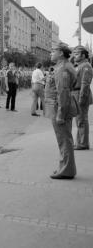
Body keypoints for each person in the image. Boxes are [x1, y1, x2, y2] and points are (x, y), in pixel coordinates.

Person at [45, 42, 78, 179]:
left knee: (64, 140)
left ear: (61, 53)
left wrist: (60, 114)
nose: (51, 53)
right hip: (59, 106)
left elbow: (63, 92)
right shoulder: (62, 66)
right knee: (64, 139)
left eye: (53, 51)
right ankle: (65, 167)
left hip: (59, 107)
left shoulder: (62, 69)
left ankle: (67, 170)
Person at [72, 45, 93, 150]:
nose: (74, 56)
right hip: (76, 93)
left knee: (81, 120)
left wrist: (82, 98)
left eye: (76, 54)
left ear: (83, 55)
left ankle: (83, 143)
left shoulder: (86, 66)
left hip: (80, 93)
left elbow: (85, 84)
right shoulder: (80, 65)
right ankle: (79, 142)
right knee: (79, 120)